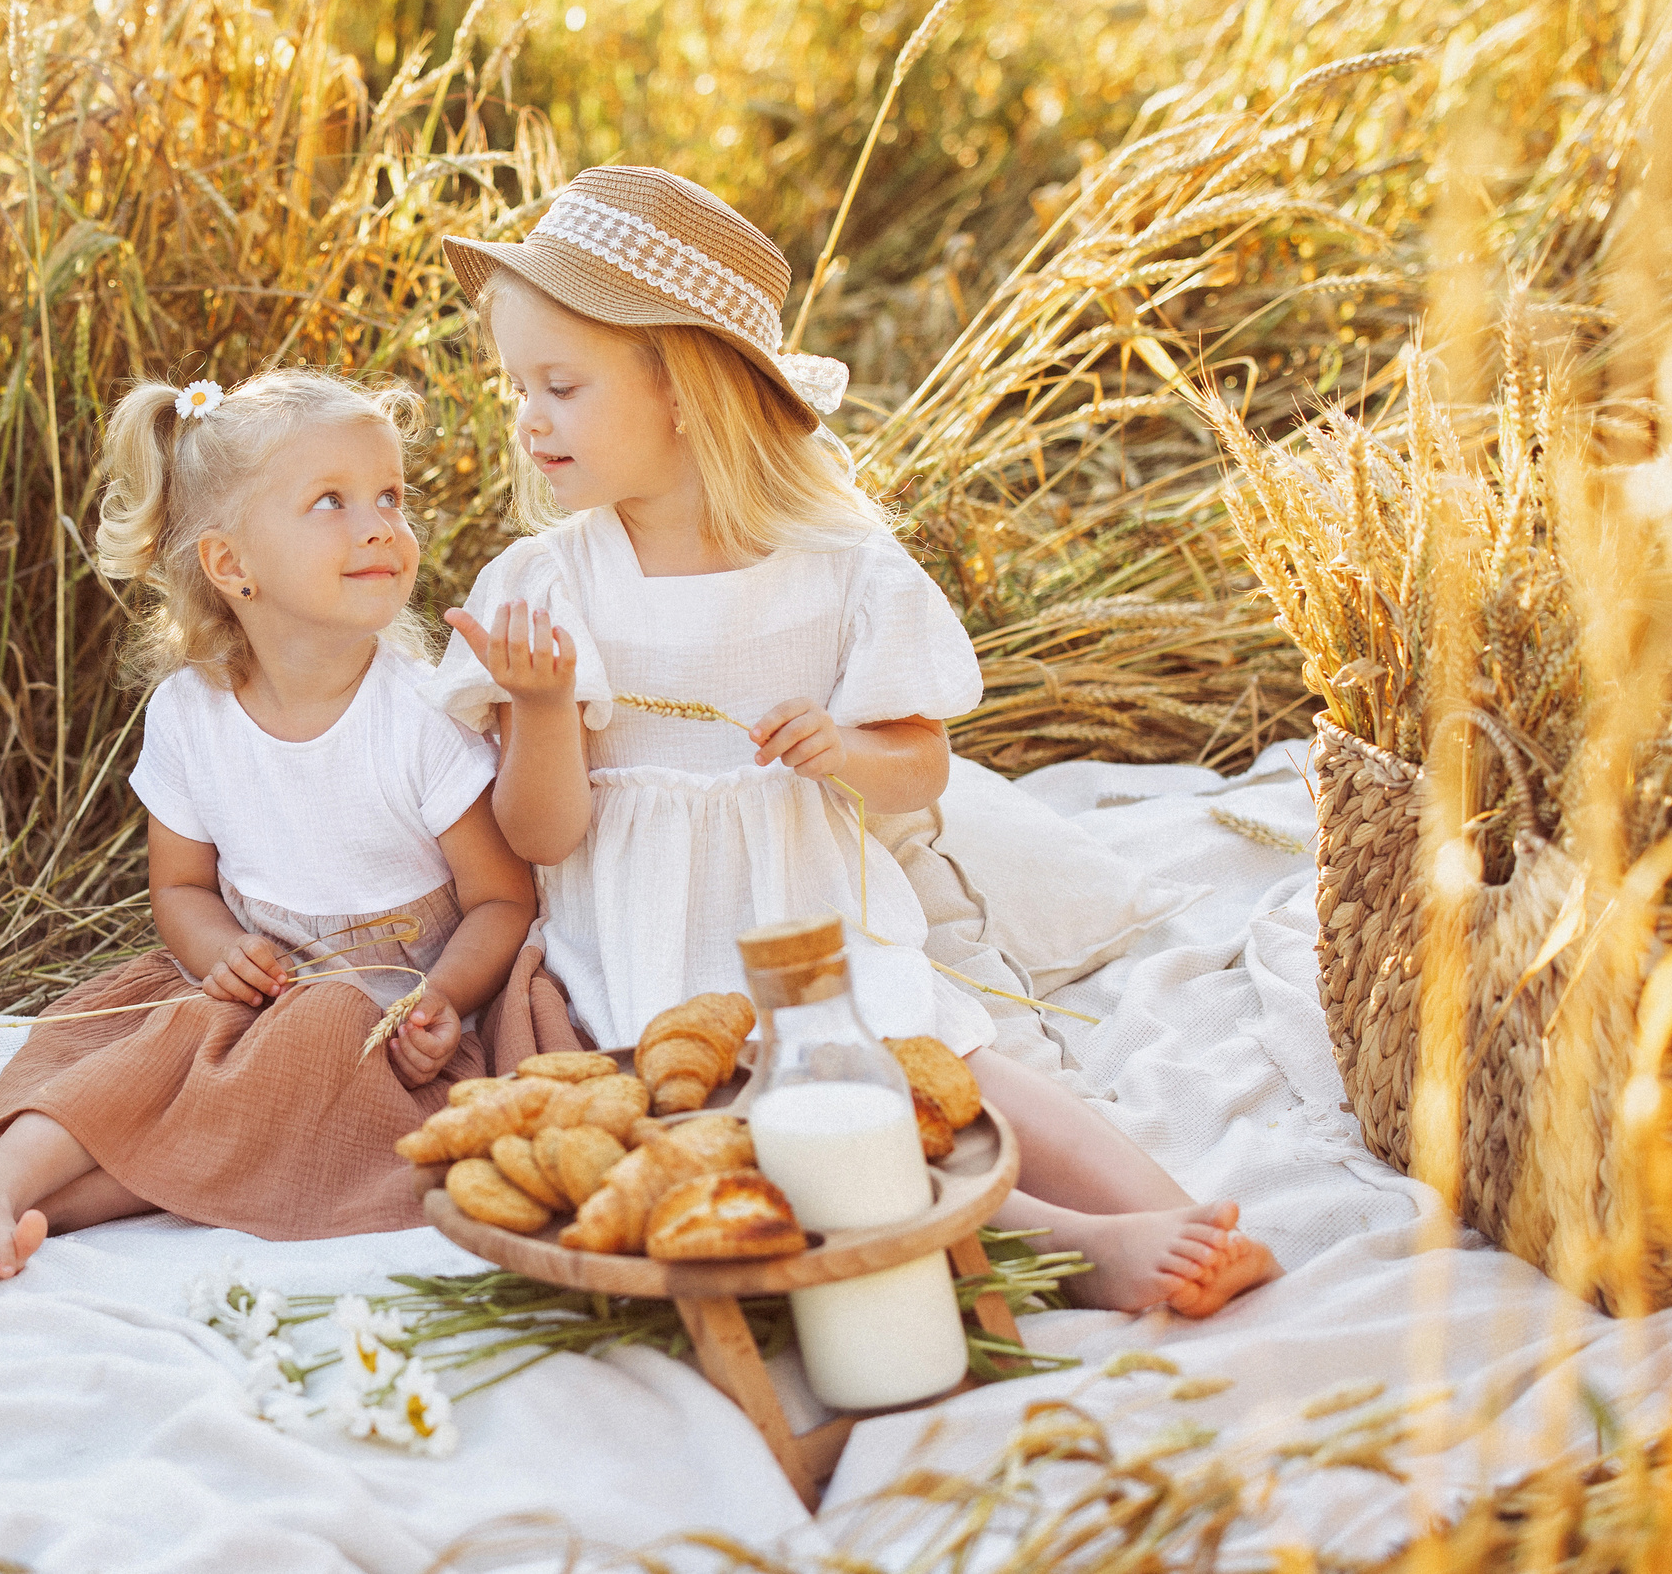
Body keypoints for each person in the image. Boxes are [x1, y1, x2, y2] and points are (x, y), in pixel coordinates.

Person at [429, 167, 1280, 1318]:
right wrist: (539, 710)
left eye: (561, 386)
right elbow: (542, 838)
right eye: (518, 386)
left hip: (812, 904)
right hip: (642, 932)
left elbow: (919, 769)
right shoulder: (548, 585)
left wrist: (842, 749)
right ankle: (1085, 1248)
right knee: (760, 1112)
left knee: (939, 1054)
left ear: (682, 387)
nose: (527, 418)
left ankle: (1183, 1214)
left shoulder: (838, 568)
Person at [0, 370, 535, 1277]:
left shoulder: (421, 716)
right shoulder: (190, 714)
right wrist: (217, 953)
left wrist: (443, 997)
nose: (380, 526)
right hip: (248, 994)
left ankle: (37, 1205)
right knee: (155, 1052)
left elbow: (503, 900)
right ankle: (2, 1181)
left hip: (380, 1030)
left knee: (274, 1092)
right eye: (331, 501)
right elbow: (181, 887)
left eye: (391, 496)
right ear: (232, 566)